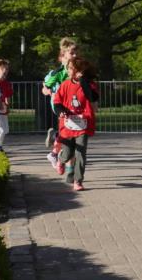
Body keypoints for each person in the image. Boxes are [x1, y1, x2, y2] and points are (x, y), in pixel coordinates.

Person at [52, 57, 99, 191]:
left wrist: (83, 80)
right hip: (67, 124)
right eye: (68, 68)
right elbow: (57, 102)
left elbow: (92, 97)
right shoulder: (65, 84)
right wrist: (60, 111)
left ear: (79, 70)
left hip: (83, 124)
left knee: (81, 153)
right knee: (68, 153)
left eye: (71, 68)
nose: (68, 70)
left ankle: (78, 181)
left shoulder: (89, 84)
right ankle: (60, 160)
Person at [42, 39, 77, 171]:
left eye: (75, 53)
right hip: (59, 104)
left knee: (70, 132)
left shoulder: (75, 69)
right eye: (72, 53)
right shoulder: (56, 72)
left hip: (72, 104)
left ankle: (56, 145)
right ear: (63, 55)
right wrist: (47, 90)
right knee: (68, 131)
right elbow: (45, 85)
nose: (75, 56)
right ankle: (63, 162)